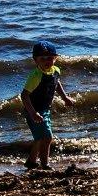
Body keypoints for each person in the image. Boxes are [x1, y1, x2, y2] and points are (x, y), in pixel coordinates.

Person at [18, 41, 76, 171]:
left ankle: (31, 162)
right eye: (42, 58)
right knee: (47, 137)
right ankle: (45, 164)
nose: (46, 61)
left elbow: (56, 83)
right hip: (34, 111)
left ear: (55, 58)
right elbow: (24, 95)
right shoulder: (36, 75)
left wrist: (65, 97)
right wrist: (33, 113)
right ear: (35, 60)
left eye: (49, 58)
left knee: (40, 138)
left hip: (45, 110)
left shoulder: (56, 71)